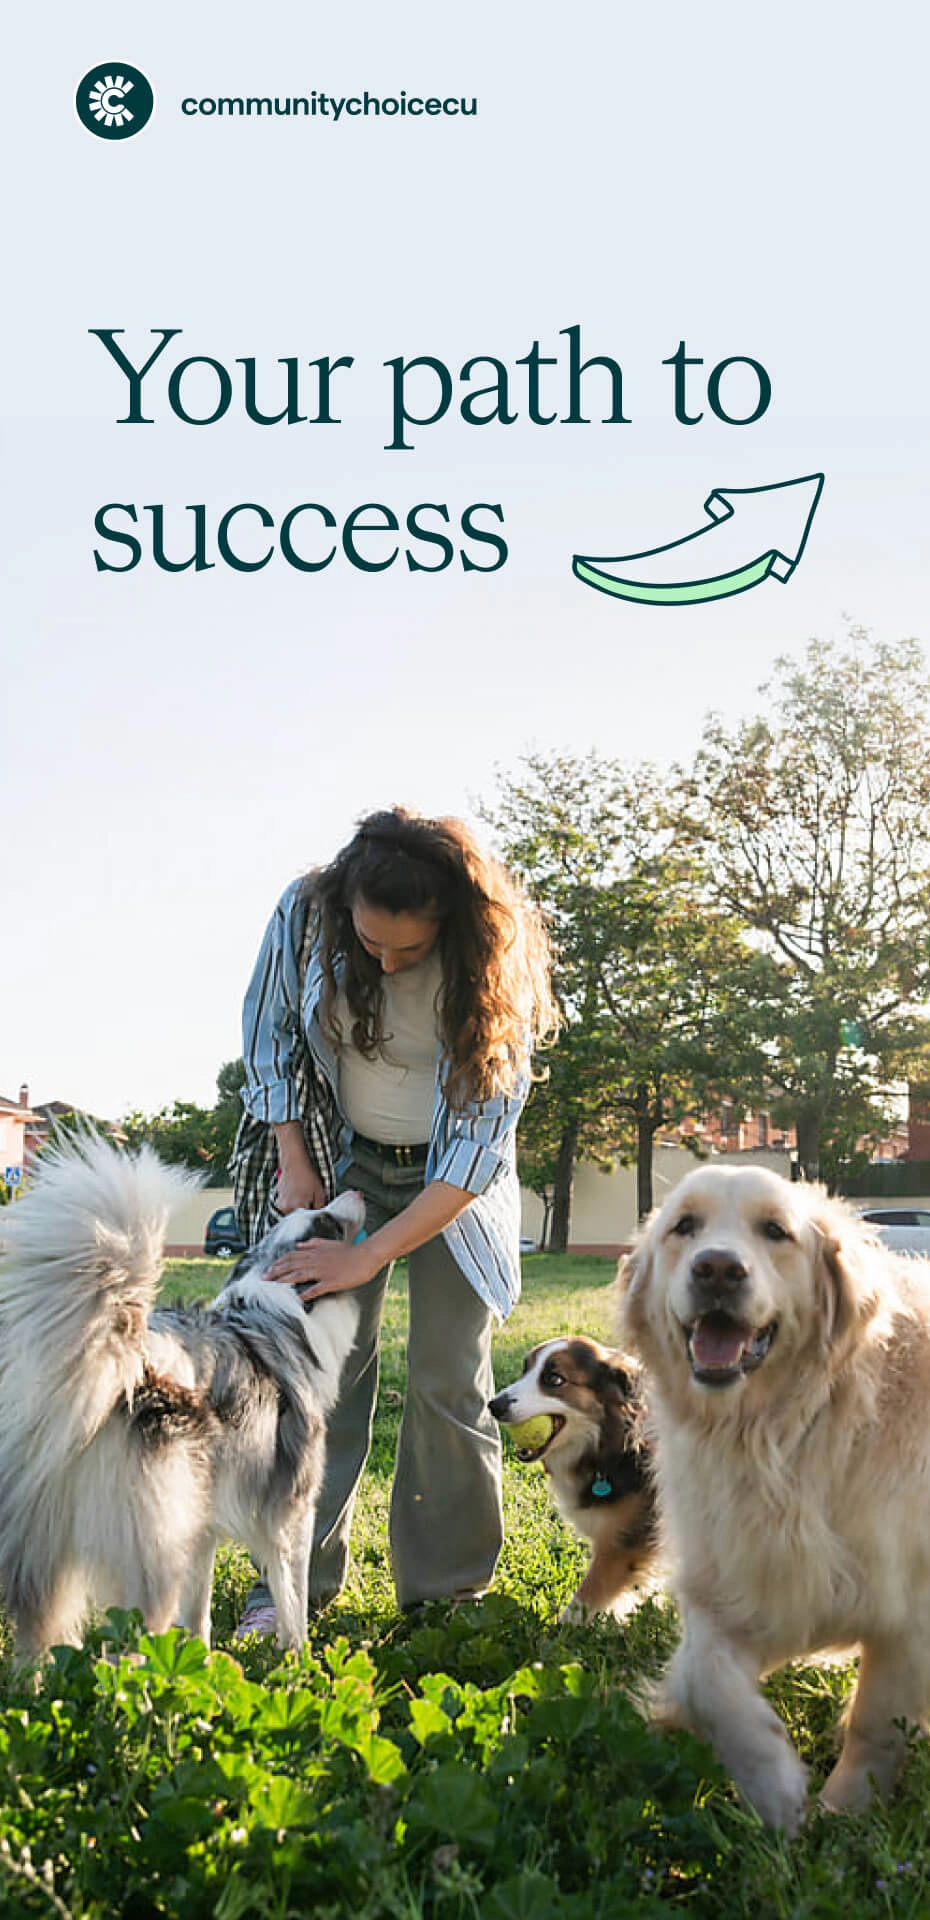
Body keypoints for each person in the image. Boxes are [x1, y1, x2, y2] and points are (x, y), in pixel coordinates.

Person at [234, 806, 557, 1633]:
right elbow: (269, 1038)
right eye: (370, 940)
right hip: (343, 1158)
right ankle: (289, 1589)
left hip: (452, 1183)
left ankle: (449, 1595)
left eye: (406, 949)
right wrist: (295, 1158)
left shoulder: (497, 964)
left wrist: (369, 1253)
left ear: (452, 921)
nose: (384, 959)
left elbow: (476, 1153)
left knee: (448, 1377)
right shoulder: (306, 914)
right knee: (318, 1382)